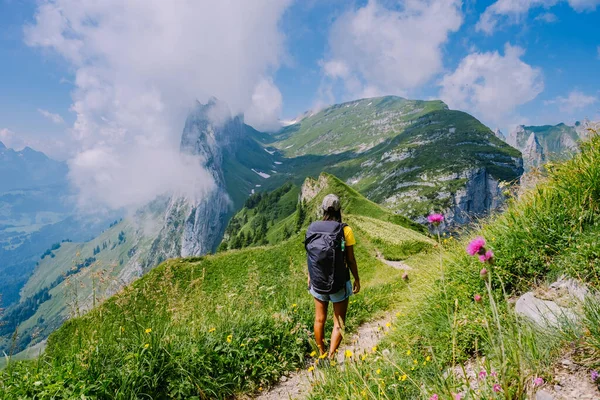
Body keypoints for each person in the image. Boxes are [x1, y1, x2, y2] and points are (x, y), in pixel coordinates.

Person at [305, 194, 360, 360]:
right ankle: (331, 357)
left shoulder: (312, 228)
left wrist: (310, 276)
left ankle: (321, 355)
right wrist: (356, 278)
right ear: (339, 210)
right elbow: (350, 259)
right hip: (339, 282)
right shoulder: (345, 230)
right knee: (339, 322)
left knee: (319, 319)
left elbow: (311, 255)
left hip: (317, 281)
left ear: (323, 209)